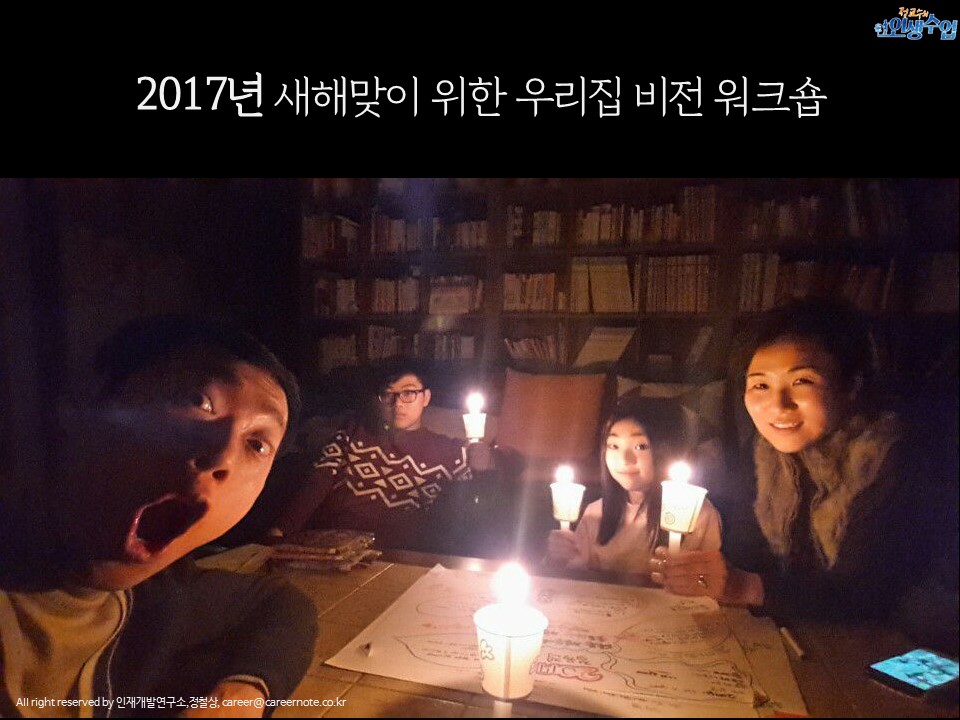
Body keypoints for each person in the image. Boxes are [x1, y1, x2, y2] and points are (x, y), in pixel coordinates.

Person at [0, 316, 317, 718]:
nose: (222, 456)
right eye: (198, 401)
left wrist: (238, 699)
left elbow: (281, 605)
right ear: (84, 406)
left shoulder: (153, 598)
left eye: (257, 444)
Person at [650, 300, 954, 627]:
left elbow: (873, 596)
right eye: (761, 385)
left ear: (851, 386)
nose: (779, 405)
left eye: (802, 382)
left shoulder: (894, 460)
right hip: (796, 630)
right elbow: (748, 552)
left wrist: (748, 587)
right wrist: (703, 570)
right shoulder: (764, 455)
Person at [268, 362, 476, 551]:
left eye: (408, 393)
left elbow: (469, 507)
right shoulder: (353, 433)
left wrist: (482, 461)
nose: (398, 403)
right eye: (388, 394)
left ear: (426, 397)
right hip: (331, 547)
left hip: (399, 554)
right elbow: (317, 483)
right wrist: (281, 529)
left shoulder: (449, 452)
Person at [545, 407, 722, 575]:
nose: (625, 459)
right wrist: (558, 559)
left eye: (641, 446)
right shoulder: (595, 512)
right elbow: (575, 574)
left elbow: (710, 581)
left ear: (666, 449)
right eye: (614, 446)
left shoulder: (697, 513)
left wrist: (692, 578)